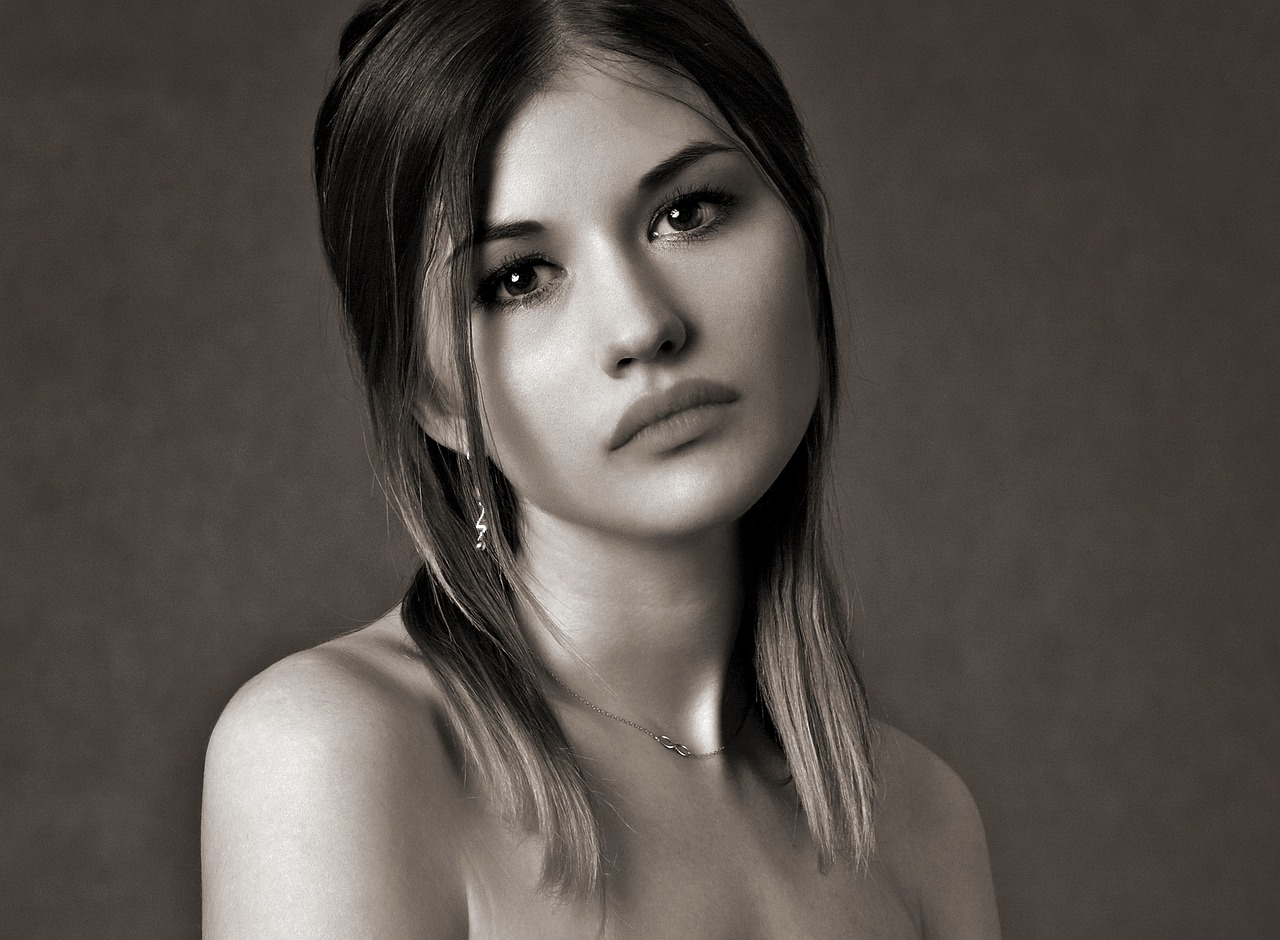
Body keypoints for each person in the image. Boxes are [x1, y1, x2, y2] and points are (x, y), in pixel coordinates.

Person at [201, 0, 1001, 936]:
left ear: (804, 236)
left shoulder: (921, 822)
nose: (642, 324)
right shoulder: (334, 751)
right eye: (517, 279)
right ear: (433, 397)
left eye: (687, 213)